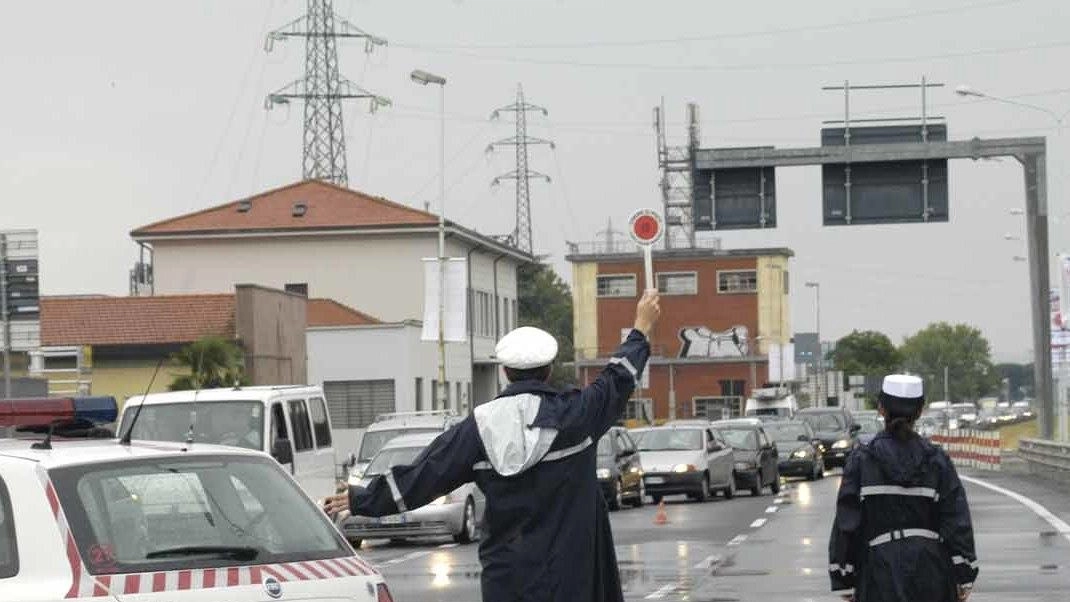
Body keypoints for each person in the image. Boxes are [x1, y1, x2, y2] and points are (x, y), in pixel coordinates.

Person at [324, 290, 661, 602]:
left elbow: (424, 475)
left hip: (508, 581)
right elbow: (618, 377)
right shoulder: (578, 417)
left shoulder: (478, 428)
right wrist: (641, 327)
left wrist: (360, 498)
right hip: (571, 579)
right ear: (549, 370)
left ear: (504, 372)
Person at [829, 374, 979, 602]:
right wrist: (964, 574)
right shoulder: (937, 460)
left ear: (881, 409)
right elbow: (956, 521)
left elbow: (847, 522)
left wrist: (843, 577)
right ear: (920, 411)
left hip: (878, 574)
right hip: (932, 573)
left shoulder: (861, 460)